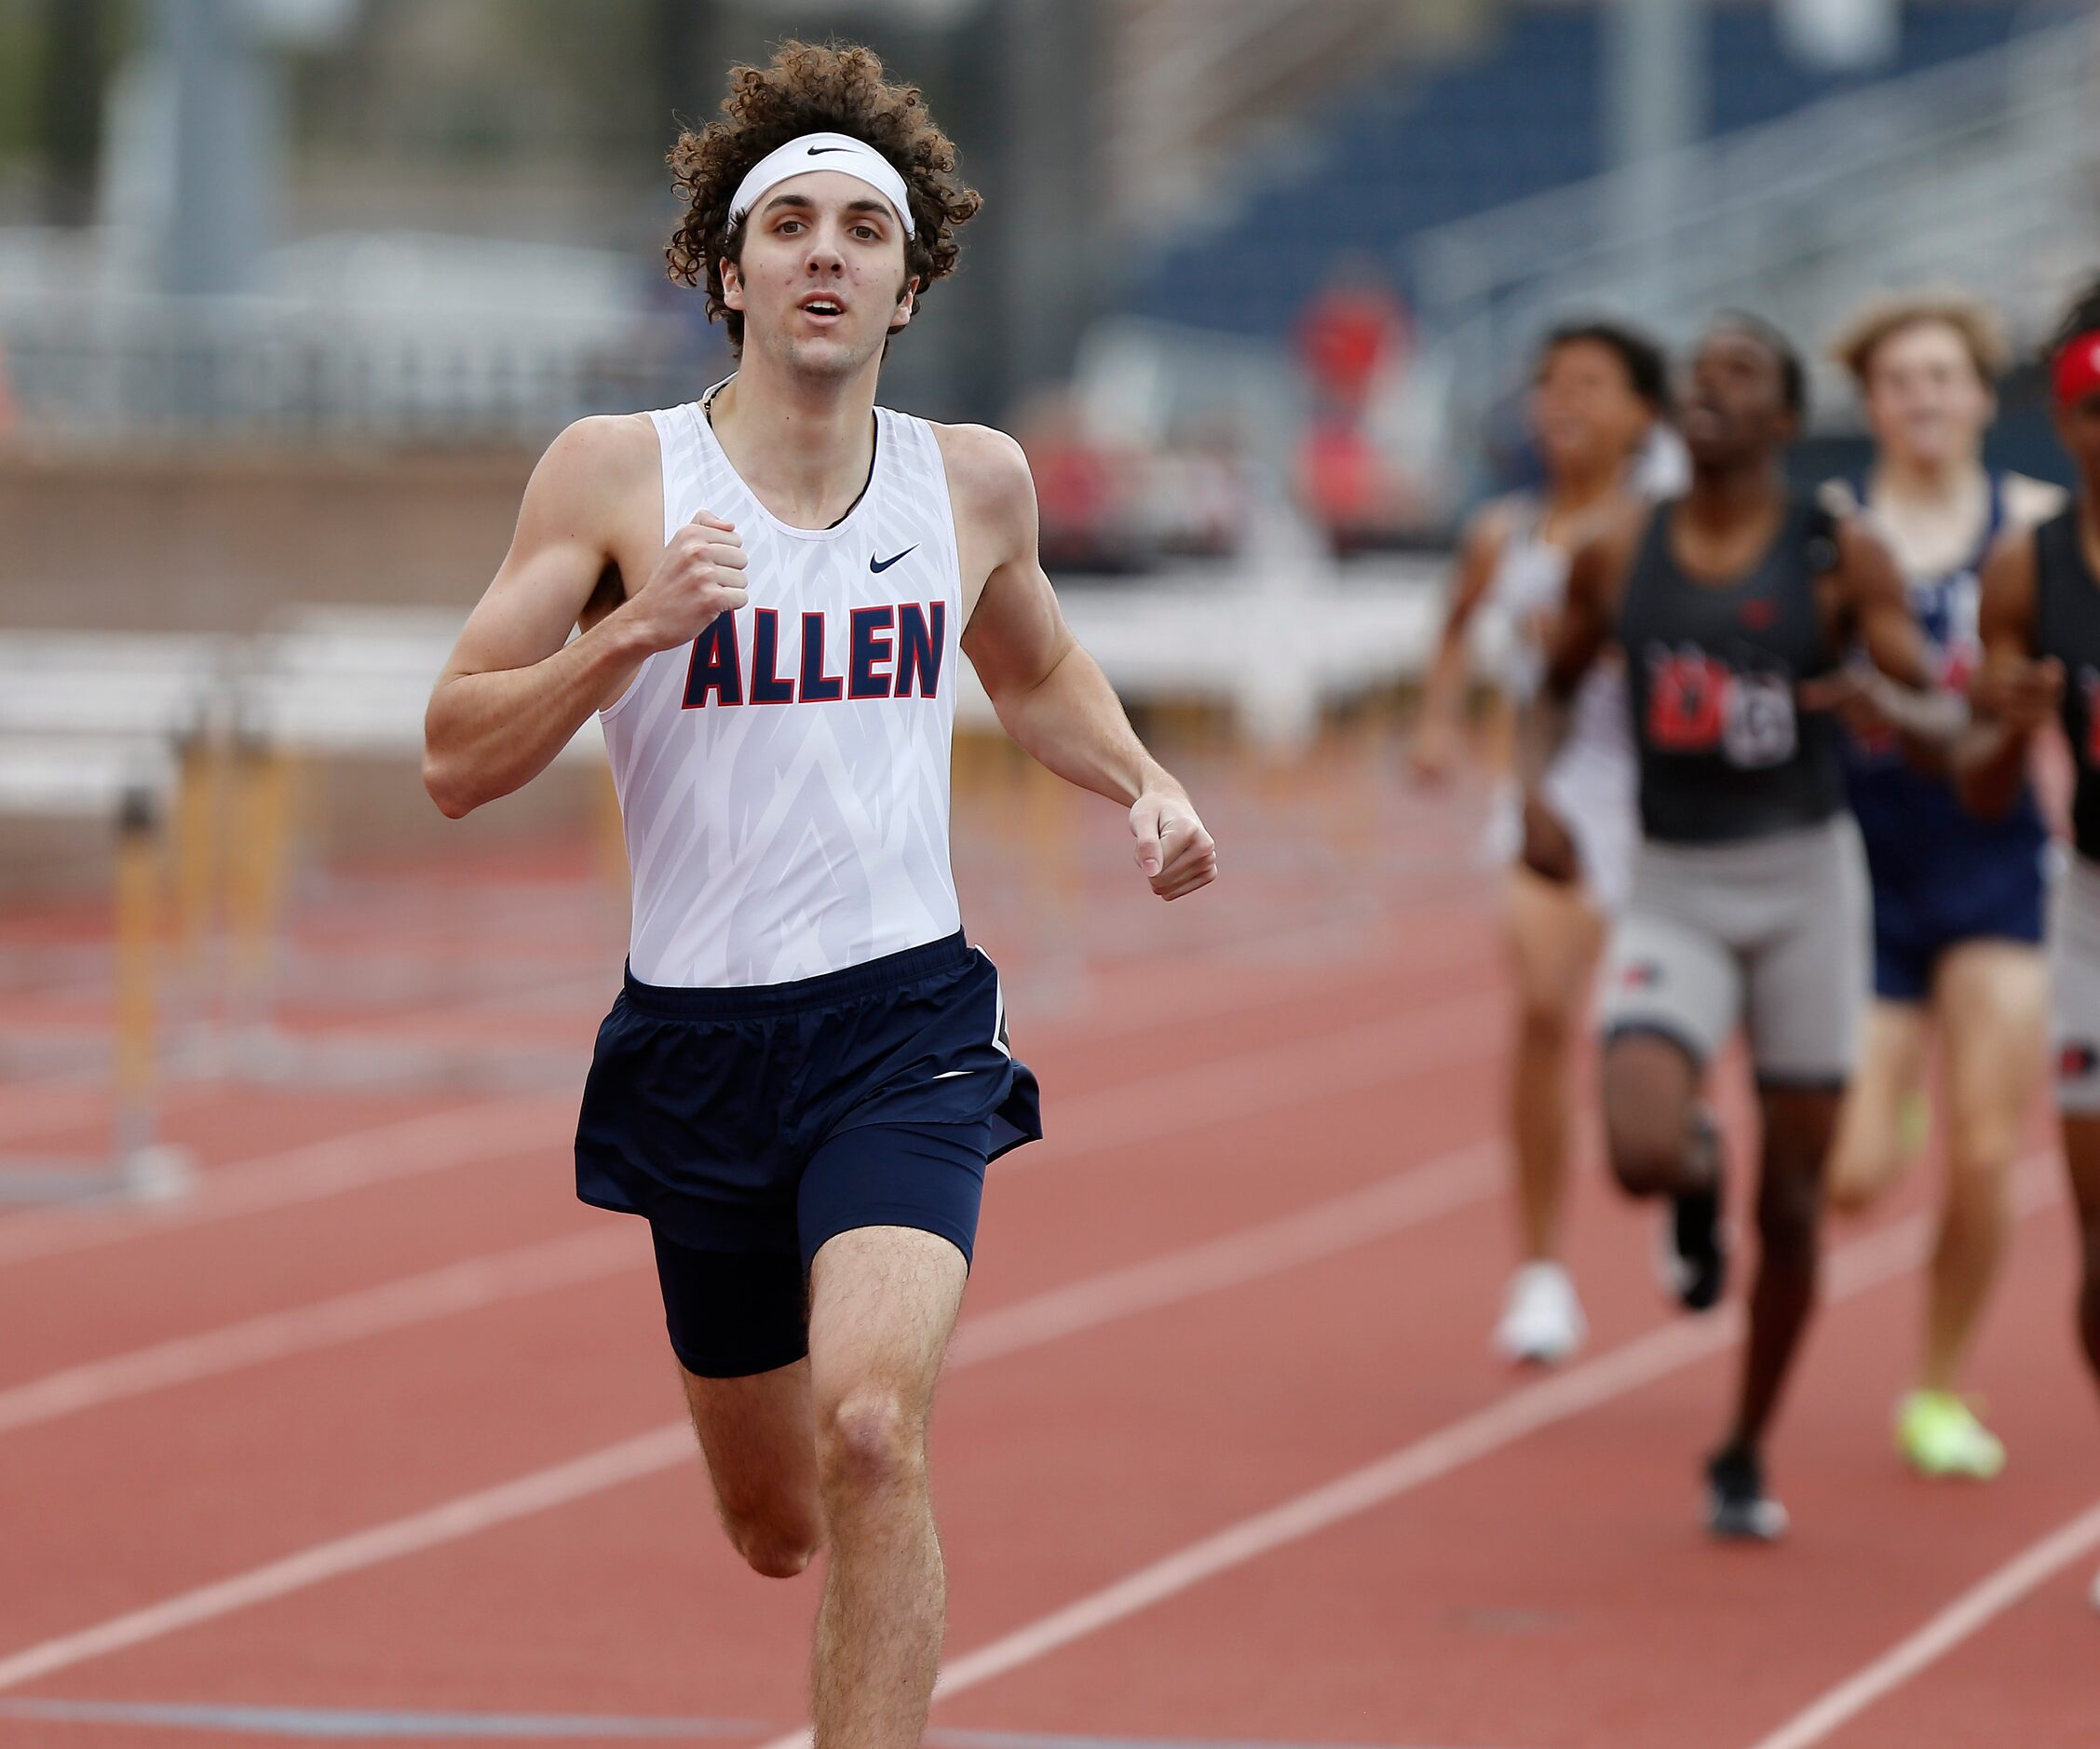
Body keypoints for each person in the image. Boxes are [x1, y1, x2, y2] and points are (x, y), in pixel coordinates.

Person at [420, 43, 1217, 1747]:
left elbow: (1043, 669)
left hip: (900, 1027)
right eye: (789, 224)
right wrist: (629, 632)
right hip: (698, 1044)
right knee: (779, 1521)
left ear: (912, 283)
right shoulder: (616, 475)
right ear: (728, 267)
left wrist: (1141, 779)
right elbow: (454, 752)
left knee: (873, 1433)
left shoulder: (972, 481)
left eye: (866, 226)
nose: (827, 253)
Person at [1524, 316, 1954, 1540]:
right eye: (1697, 377)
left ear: (1778, 420)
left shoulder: (1833, 552)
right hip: (1675, 880)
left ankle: (1743, 1440)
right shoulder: (1615, 550)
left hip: (1805, 883)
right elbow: (1549, 694)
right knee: (1637, 1142)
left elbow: (1920, 701)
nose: (1708, 392)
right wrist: (1534, 798)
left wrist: (1873, 696)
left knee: (1797, 1202)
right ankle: (1694, 1174)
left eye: (1738, 380)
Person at [1820, 292, 2064, 1481]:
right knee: (1855, 1175)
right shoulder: (1828, 528)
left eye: (1943, 376)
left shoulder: (2042, 525)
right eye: (1899, 380)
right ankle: (1884, 1102)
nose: (1922, 398)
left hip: (1995, 866)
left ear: (1981, 394)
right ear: (1868, 403)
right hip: (1856, 873)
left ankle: (1936, 1388)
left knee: (1983, 1151)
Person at [1412, 320, 1673, 1366]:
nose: (1563, 402)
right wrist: (1436, 720)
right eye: (1549, 382)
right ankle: (1540, 1274)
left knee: (1662, 1033)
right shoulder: (1501, 531)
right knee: (1541, 1012)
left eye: (1592, 384)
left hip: (1664, 807)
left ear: (1641, 413)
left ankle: (1676, 1177)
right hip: (1545, 800)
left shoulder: (1665, 529)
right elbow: (1452, 627)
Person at [1957, 274, 2100, 1608]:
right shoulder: (2028, 566)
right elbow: (1989, 792)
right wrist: (2003, 718)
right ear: (2059, 420)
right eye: (2090, 404)